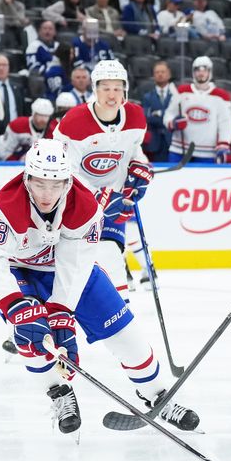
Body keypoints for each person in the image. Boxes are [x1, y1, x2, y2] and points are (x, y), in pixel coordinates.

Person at [0, 138, 200, 435]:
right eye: (40, 184)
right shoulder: (5, 203)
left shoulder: (84, 204)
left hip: (72, 272)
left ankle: (157, 395)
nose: (47, 194)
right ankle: (60, 393)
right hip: (22, 270)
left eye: (56, 185)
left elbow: (75, 263)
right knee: (30, 336)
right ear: (27, 178)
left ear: (68, 181)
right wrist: (18, 308)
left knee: (126, 335)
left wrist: (61, 311)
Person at [52, 60, 153, 303]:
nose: (112, 94)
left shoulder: (136, 117)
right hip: (73, 203)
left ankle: (122, 324)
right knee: (65, 268)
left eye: (118, 88)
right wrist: (96, 195)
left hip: (112, 203)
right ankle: (38, 323)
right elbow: (64, 169)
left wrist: (140, 166)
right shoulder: (73, 122)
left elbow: (133, 151)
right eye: (106, 88)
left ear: (125, 91)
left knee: (111, 256)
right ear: (95, 90)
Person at [164, 56, 231, 163]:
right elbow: (168, 115)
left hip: (207, 152)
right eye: (197, 70)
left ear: (210, 72)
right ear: (193, 72)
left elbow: (226, 123)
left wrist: (224, 142)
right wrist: (174, 123)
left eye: (204, 70)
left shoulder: (221, 96)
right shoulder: (182, 91)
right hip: (179, 150)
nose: (201, 73)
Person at [142, 60, 175, 162]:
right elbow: (148, 118)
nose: (160, 74)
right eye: (157, 72)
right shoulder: (147, 97)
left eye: (163, 72)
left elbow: (176, 116)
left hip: (173, 141)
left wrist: (158, 113)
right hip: (155, 143)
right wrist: (167, 114)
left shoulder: (176, 96)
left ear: (169, 74)